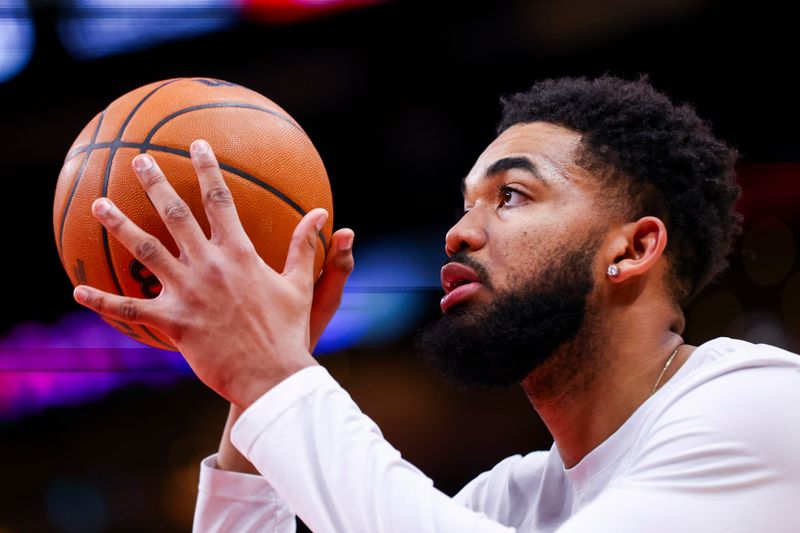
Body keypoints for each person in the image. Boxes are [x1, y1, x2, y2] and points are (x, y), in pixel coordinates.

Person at [73, 76, 800, 532]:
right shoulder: (513, 501)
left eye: (511, 195)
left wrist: (273, 370)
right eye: (463, 203)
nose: (458, 231)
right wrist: (247, 394)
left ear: (633, 248)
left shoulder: (760, 405)